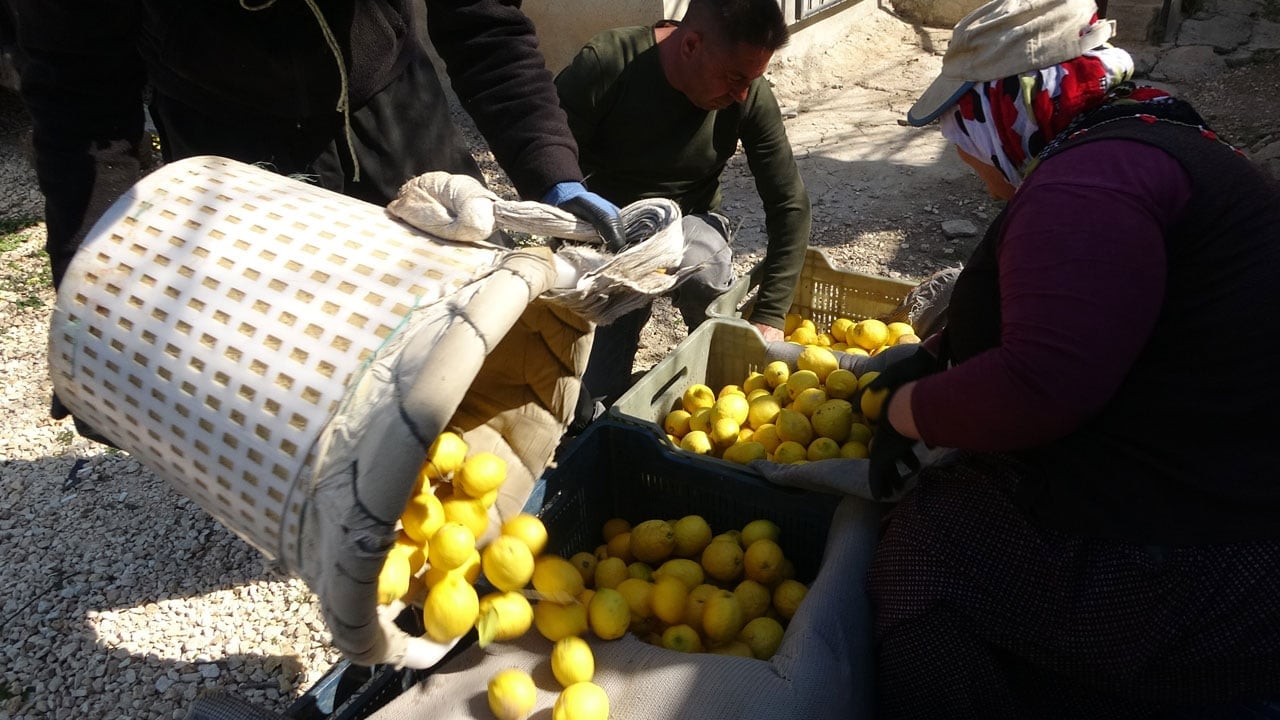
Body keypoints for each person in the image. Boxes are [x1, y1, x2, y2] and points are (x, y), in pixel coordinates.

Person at [766, 0, 1280, 716]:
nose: (962, 153)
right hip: (1214, 478)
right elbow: (1096, 316)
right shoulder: (1146, 131)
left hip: (1200, 549)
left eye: (961, 128)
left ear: (1005, 108)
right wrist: (939, 357)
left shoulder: (1088, 186)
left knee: (925, 550)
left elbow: (1042, 385)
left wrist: (907, 411)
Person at [11, 0, 625, 440]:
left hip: (393, 106)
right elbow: (79, 103)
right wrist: (93, 290)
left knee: (478, 328)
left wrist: (552, 171)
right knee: (296, 369)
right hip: (230, 138)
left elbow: (482, 25)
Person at [553, 0, 811, 405]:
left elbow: (789, 203)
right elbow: (551, 168)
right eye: (733, 77)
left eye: (751, 80)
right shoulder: (608, 64)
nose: (741, 94)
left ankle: (708, 357)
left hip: (688, 226)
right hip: (608, 240)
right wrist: (579, 254)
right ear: (690, 45)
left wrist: (770, 314)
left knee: (707, 272)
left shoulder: (746, 95)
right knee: (593, 399)